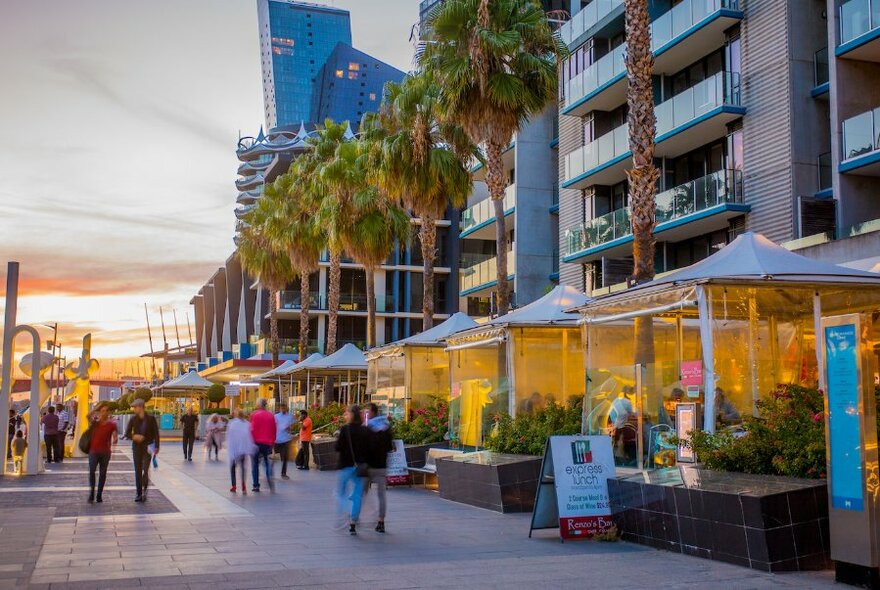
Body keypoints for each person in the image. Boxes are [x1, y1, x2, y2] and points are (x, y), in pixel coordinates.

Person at [335, 404, 371, 535]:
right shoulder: (365, 430)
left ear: (351, 415)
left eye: (347, 413)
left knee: (340, 493)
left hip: (345, 465)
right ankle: (353, 521)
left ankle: (348, 512)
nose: (345, 416)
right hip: (360, 467)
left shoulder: (345, 429)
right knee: (357, 496)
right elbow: (369, 450)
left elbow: (337, 448)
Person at [124, 398, 160, 502]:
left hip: (147, 447)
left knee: (145, 469)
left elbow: (156, 433)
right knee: (138, 471)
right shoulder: (133, 419)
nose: (134, 409)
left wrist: (157, 446)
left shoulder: (151, 419)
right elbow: (127, 433)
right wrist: (134, 436)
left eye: (135, 407)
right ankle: (139, 494)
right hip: (136, 448)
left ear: (140, 407)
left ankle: (144, 489)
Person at [365, 403, 393, 534]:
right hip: (382, 465)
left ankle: (355, 519)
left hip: (368, 466)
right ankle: (381, 521)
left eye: (367, 411)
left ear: (372, 412)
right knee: (381, 495)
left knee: (362, 493)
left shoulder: (368, 427)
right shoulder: (387, 427)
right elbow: (389, 447)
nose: (366, 413)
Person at [87, 403, 118, 503]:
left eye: (106, 411)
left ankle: (99, 494)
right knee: (92, 471)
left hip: (105, 452)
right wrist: (95, 408)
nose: (104, 413)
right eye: (102, 411)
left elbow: (115, 436)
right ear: (100, 412)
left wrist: (115, 439)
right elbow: (87, 416)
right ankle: (92, 492)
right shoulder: (95, 423)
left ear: (108, 413)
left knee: (103, 473)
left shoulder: (111, 425)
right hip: (93, 451)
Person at [250, 398, 276, 493]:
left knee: (255, 464)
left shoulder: (254, 415)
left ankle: (256, 485)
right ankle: (269, 477)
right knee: (267, 462)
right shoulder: (271, 415)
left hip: (256, 443)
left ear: (259, 404)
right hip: (267, 443)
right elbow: (274, 430)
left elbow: (251, 429)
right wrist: (273, 442)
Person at [226, 410, 255, 494]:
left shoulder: (232, 424)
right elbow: (250, 437)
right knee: (243, 468)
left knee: (232, 468)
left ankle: (234, 486)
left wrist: (230, 449)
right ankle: (243, 485)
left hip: (234, 450)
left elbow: (229, 437)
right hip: (243, 450)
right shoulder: (247, 424)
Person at [274, 404, 294, 479]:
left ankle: (283, 473)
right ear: (279, 408)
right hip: (277, 439)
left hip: (286, 440)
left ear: (287, 408)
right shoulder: (276, 416)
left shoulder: (290, 416)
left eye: (284, 408)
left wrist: (289, 430)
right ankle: (269, 471)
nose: (283, 409)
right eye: (282, 408)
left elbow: (292, 426)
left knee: (285, 458)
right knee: (270, 456)